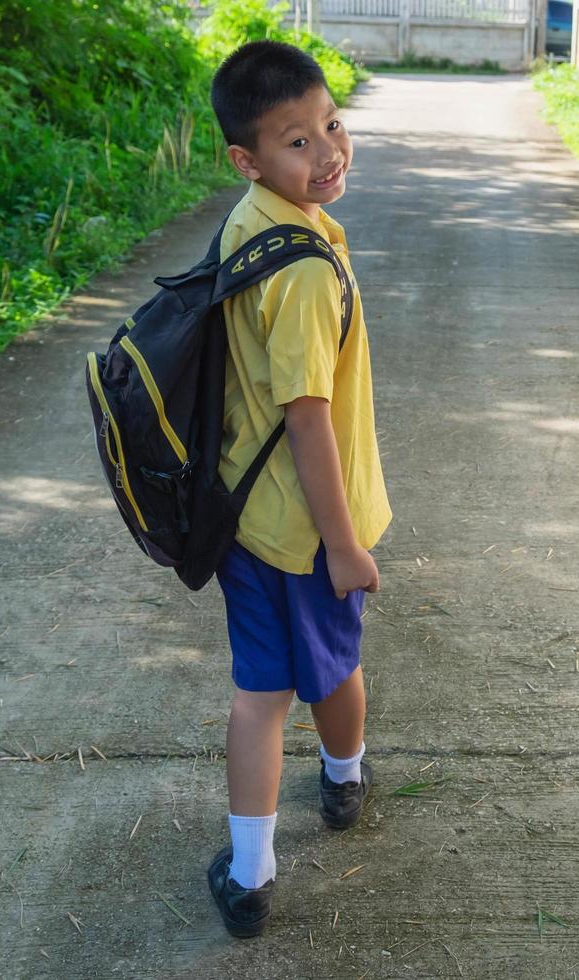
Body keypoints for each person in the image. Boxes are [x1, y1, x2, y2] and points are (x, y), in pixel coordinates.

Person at [204, 39, 392, 939]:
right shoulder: (309, 270)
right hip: (316, 526)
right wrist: (348, 545)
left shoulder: (246, 221)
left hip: (247, 515)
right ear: (247, 160)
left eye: (332, 126)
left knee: (258, 692)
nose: (327, 154)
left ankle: (248, 876)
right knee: (336, 670)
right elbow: (309, 415)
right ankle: (347, 777)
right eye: (296, 143)